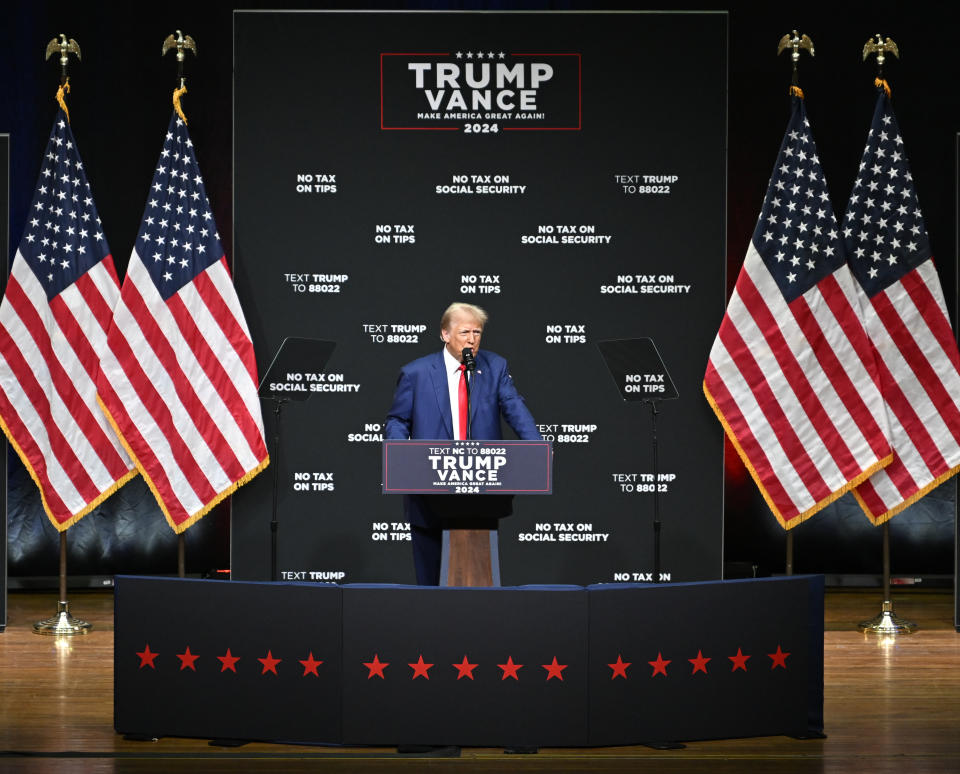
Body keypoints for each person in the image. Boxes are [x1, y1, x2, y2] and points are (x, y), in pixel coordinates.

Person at [385, 302, 542, 584]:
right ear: (445, 334)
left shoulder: (495, 367)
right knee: (429, 580)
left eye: (477, 333)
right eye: (464, 332)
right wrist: (399, 453)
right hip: (428, 490)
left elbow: (513, 406)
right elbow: (397, 420)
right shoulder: (416, 373)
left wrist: (536, 447)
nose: (472, 340)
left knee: (477, 575)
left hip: (480, 490)